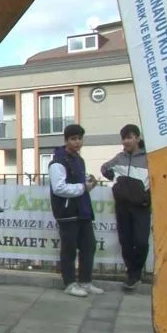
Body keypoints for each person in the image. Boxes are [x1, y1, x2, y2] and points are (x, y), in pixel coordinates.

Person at [48, 124, 103, 298]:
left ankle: (85, 282)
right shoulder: (57, 162)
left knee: (89, 246)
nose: (77, 142)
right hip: (67, 213)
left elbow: (79, 181)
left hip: (83, 211)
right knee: (69, 249)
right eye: (73, 139)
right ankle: (70, 283)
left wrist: (89, 181)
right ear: (66, 140)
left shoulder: (79, 160)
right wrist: (82, 187)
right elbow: (59, 188)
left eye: (79, 138)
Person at [101, 124, 150, 290]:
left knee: (142, 242)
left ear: (137, 138)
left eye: (130, 137)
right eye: (124, 138)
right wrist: (116, 180)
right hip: (123, 206)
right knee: (126, 241)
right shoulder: (119, 157)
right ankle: (132, 275)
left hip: (141, 206)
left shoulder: (148, 157)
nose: (126, 141)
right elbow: (104, 168)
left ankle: (136, 272)